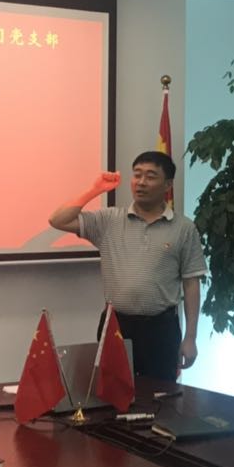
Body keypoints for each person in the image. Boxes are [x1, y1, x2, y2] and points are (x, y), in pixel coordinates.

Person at [48, 152, 207, 381]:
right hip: (115, 326)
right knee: (111, 392)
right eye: (137, 175)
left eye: (150, 176)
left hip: (161, 328)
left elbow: (191, 284)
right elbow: (58, 220)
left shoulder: (184, 228)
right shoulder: (108, 221)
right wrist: (95, 190)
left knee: (161, 395)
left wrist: (191, 337)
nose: (141, 182)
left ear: (167, 185)